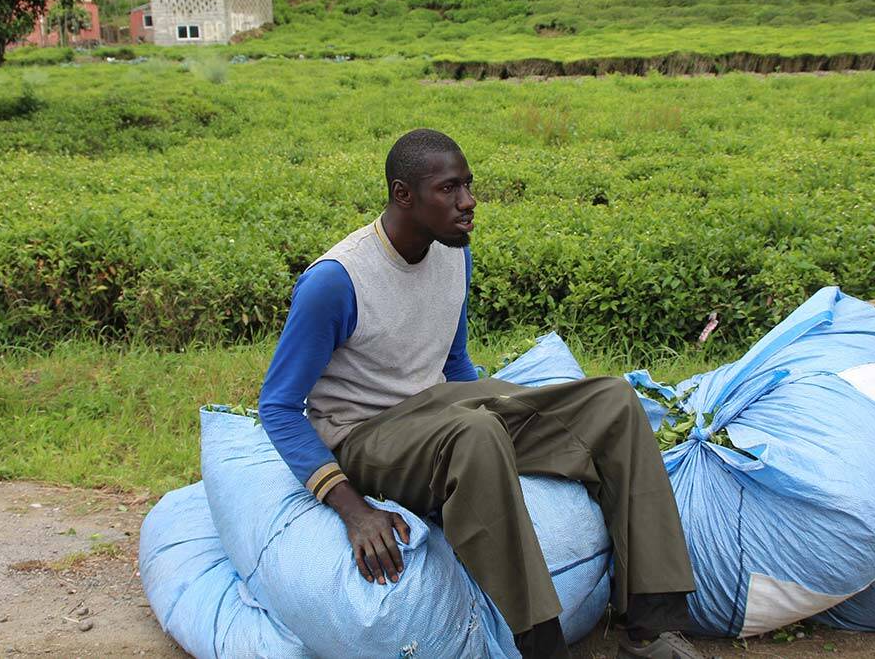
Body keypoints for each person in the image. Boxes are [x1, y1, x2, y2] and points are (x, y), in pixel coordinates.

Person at [259, 128, 700, 659]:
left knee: (612, 400)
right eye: (450, 189)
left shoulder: (452, 251)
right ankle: (540, 644)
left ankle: (652, 624)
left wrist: (521, 413)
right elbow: (279, 407)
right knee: (476, 431)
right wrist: (355, 511)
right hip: (366, 435)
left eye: (468, 185)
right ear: (404, 195)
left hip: (441, 410)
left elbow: (454, 363)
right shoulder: (337, 281)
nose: (469, 203)